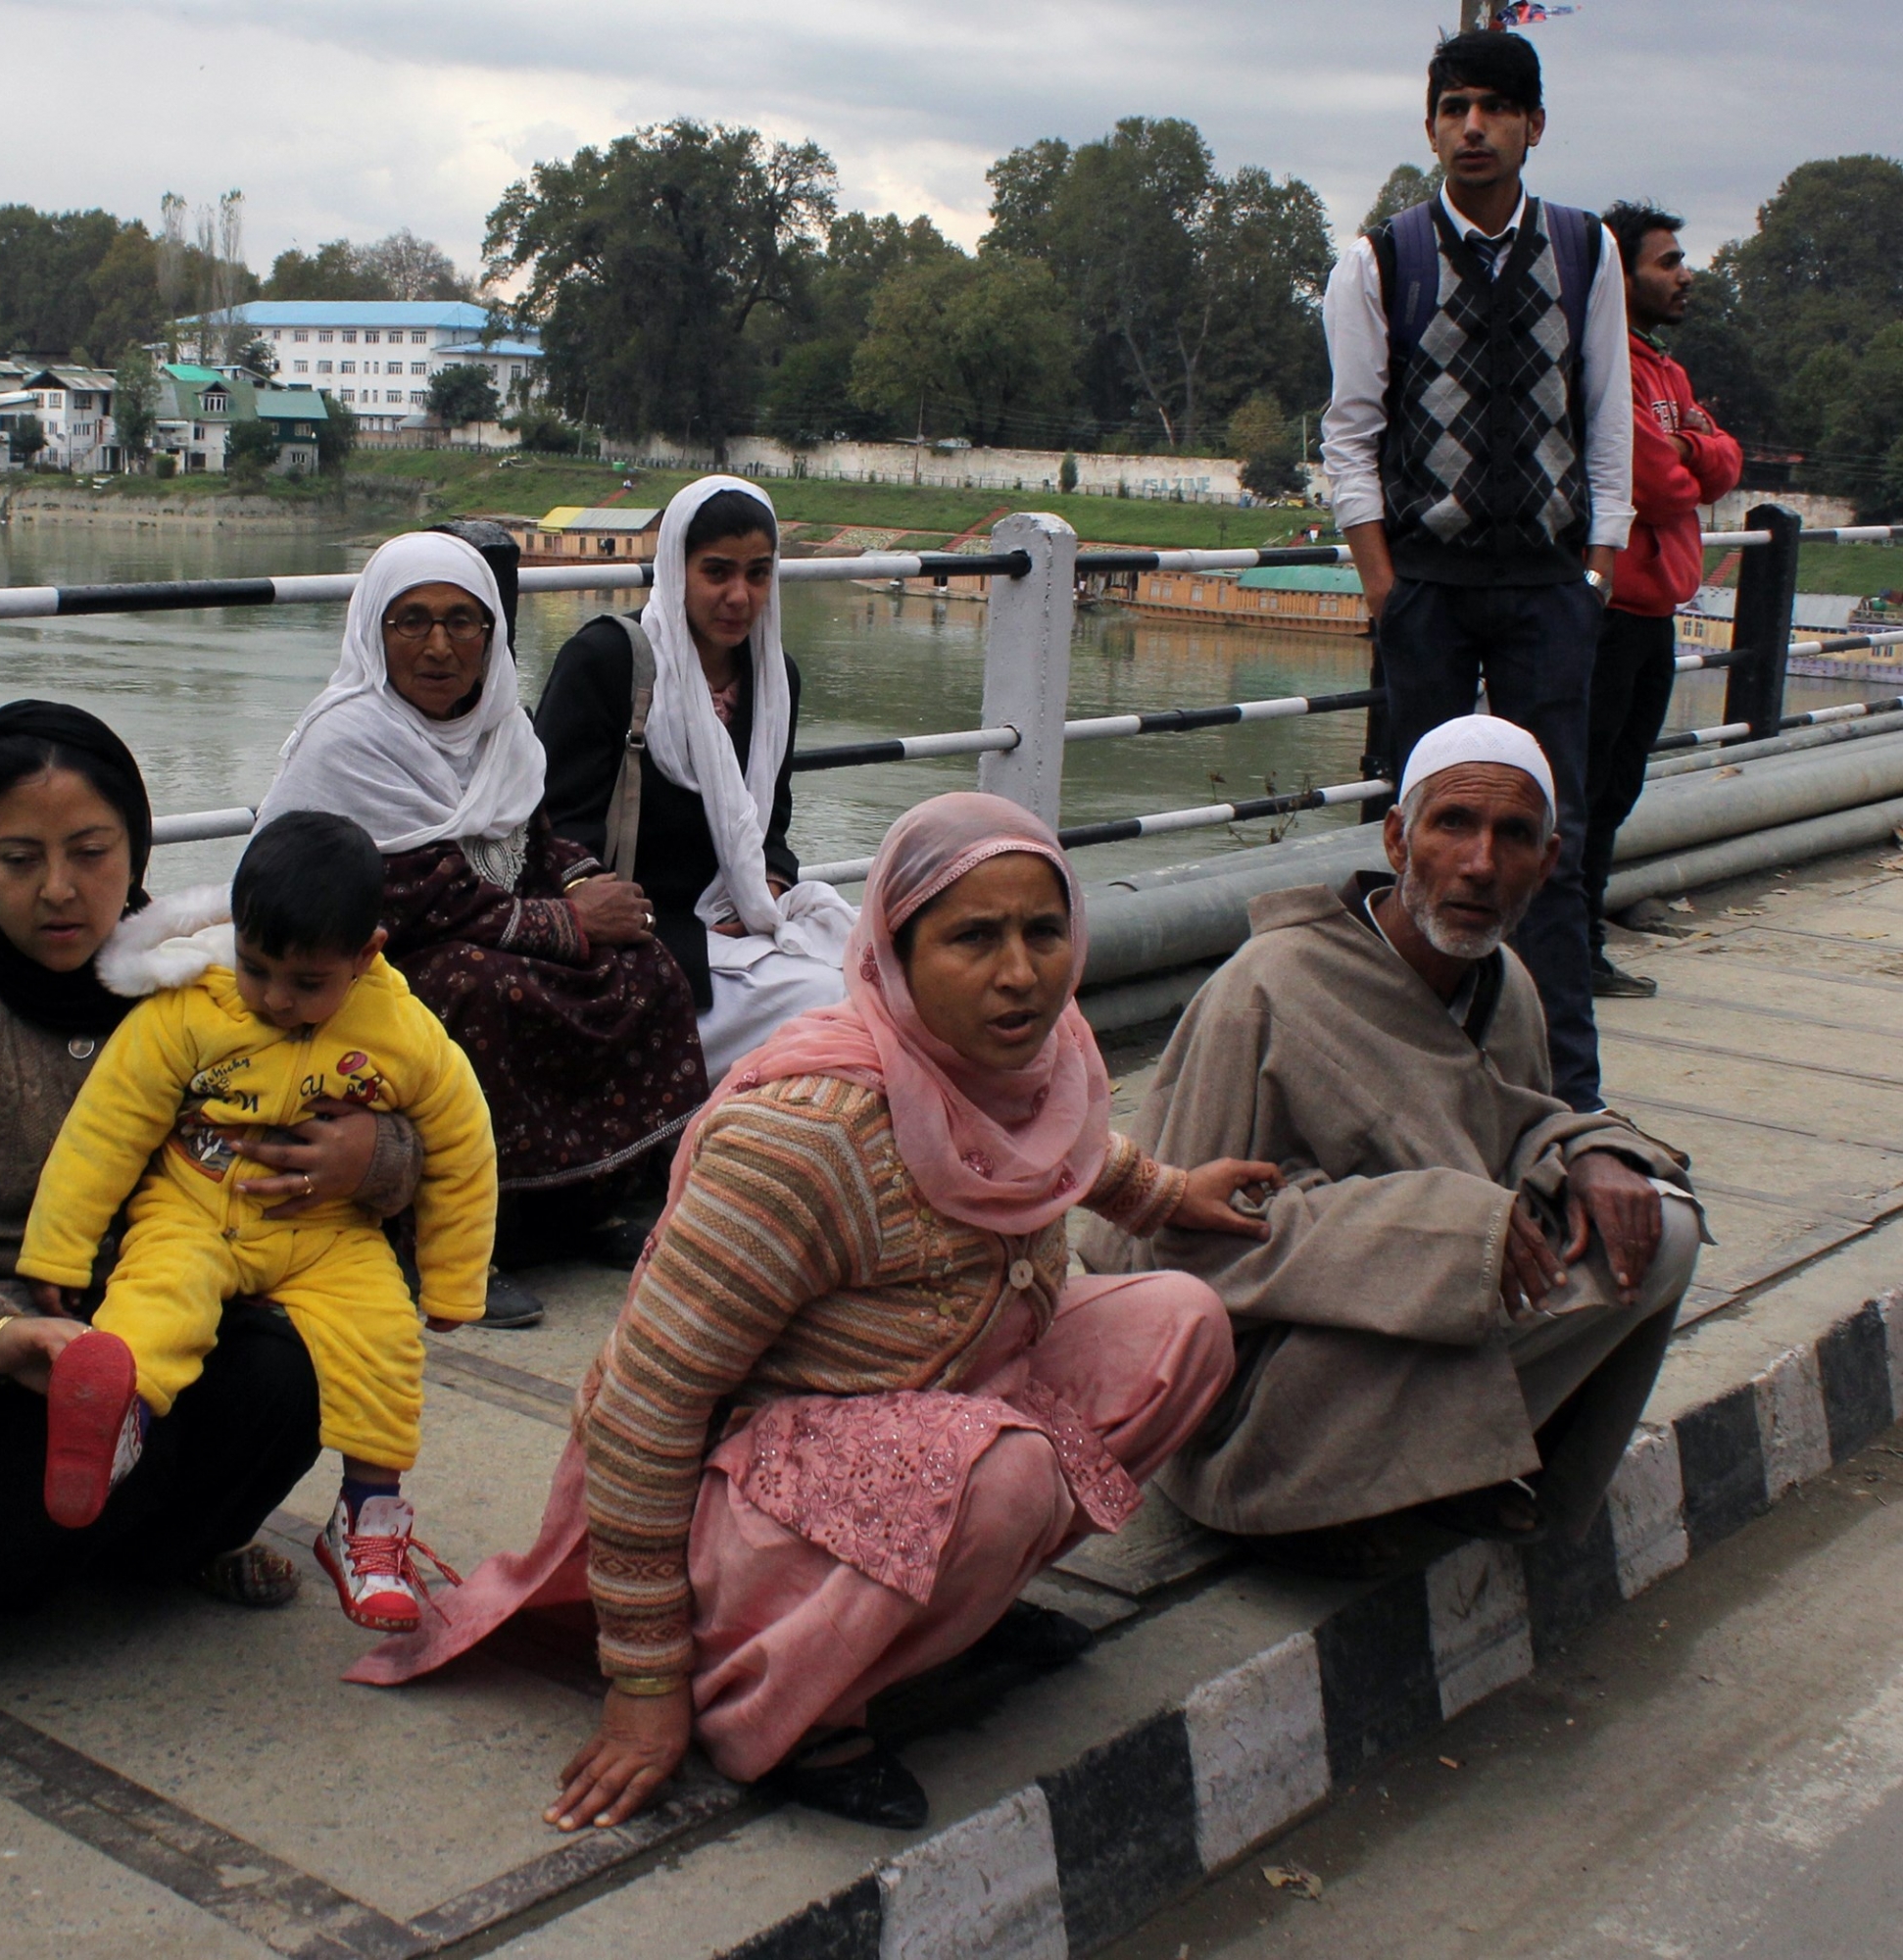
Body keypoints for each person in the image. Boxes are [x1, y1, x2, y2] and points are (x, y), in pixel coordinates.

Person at [351, 793, 1267, 1828]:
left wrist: (1169, 1196)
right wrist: (641, 1684)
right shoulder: (809, 1135)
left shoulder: (1036, 1059)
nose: (1021, 972)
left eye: (1042, 931)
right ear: (895, 953)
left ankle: (948, 1608)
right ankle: (785, 1707)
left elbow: (1064, 1150)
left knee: (1182, 1325)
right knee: (1007, 1472)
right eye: (974, 937)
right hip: (752, 1497)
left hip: (934, 1415)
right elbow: (641, 1411)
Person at [0, 703, 420, 1634]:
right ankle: (59, 1546)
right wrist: (0, 1336)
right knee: (38, 1478)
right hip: (2, 1361)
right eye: (18, 859)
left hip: (170, 1298)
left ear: (135, 847)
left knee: (291, 1372)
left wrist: (373, 1157)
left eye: (90, 851)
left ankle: (158, 1547)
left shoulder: (193, 974)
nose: (59, 890)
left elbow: (394, 1089)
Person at [1078, 715, 1702, 1567]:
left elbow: (1510, 1124)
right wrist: (1441, 1232)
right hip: (1264, 1395)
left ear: (1547, 863)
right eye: (1452, 826)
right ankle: (1349, 1495)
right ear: (1398, 840)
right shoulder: (1266, 988)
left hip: (1414, 1324)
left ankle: (1474, 1473)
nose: (1480, 864)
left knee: (1656, 1230)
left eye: (1512, 836)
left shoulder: (1504, 982)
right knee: (1478, 1256)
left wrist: (1591, 1150)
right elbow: (1171, 1250)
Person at [20, 810, 500, 1631]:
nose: (276, 999)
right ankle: (116, 1424)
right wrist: (57, 1253)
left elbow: (464, 1146)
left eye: (307, 983)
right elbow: (107, 1126)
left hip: (327, 1235)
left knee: (383, 1342)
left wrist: (454, 1280)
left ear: (366, 954)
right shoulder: (186, 1011)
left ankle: (367, 1520)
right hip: (193, 1207)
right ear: (232, 935)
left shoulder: (404, 1035)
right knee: (156, 1295)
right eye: (257, 969)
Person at [257, 529, 708, 1292]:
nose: (439, 646)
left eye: (463, 622)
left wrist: (583, 884)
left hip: (487, 927)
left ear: (491, 634)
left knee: (644, 964)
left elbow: (529, 839)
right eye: (412, 622)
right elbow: (399, 890)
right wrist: (566, 924)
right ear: (375, 631)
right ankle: (461, 1237)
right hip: (379, 956)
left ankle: (583, 1206)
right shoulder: (347, 739)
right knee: (482, 988)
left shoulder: (500, 729)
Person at [1322, 27, 1635, 1112]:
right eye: (1454, 108)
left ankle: (1566, 1102)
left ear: (1533, 126)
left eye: (1495, 110)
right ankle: (1406, 1077)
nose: (1473, 129)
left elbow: (1608, 426)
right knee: (1423, 830)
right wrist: (1382, 585)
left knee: (1553, 836)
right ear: (1430, 125)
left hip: (1548, 582)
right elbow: (1349, 433)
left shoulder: (1585, 254)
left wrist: (1594, 575)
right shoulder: (1382, 260)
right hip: (1429, 584)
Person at [535, 474, 854, 1080]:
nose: (740, 596)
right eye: (717, 572)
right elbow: (555, 824)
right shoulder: (607, 661)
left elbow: (771, 822)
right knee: (830, 1003)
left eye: (758, 573)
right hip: (643, 937)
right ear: (675, 569)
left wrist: (773, 882)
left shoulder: (773, 677)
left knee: (876, 968)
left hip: (739, 919)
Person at [1584, 202, 1742, 1000]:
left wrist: (1688, 450)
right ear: (1620, 275)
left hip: (1649, 615)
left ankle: (1577, 944)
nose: (1684, 276)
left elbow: (1724, 459)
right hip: (1604, 611)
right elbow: (1653, 481)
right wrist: (1688, 457)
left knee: (1614, 786)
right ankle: (1564, 949)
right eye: (1667, 262)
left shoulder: (1666, 372)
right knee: (1580, 785)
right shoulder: (1604, 366)